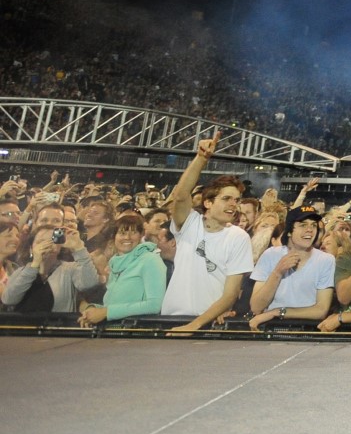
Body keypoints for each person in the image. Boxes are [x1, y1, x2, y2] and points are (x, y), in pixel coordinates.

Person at [159, 131, 254, 332]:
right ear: (208, 202)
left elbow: (231, 293)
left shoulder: (238, 237)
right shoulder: (189, 224)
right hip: (171, 319)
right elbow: (181, 195)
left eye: (236, 200)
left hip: (208, 324)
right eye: (226, 199)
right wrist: (201, 158)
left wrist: (194, 325)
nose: (233, 205)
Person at [246, 205, 336, 328]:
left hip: (307, 329)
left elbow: (321, 310)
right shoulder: (271, 255)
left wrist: (278, 312)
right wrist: (277, 272)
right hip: (271, 328)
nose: (310, 229)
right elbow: (256, 306)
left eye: (313, 225)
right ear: (289, 231)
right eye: (303, 225)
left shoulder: (326, 260)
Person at [2, 200, 98, 313]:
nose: (46, 245)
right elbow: (9, 299)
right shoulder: (20, 269)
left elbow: (89, 284)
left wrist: (79, 249)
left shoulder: (70, 268)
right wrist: (34, 265)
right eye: (41, 241)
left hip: (59, 326)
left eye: (56, 221)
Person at [77, 212, 166, 326]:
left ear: (141, 235)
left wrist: (106, 312)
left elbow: (154, 305)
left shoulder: (150, 260)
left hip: (137, 333)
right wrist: (93, 310)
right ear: (114, 237)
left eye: (133, 233)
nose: (127, 237)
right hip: (113, 331)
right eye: (122, 233)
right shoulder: (115, 263)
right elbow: (117, 305)